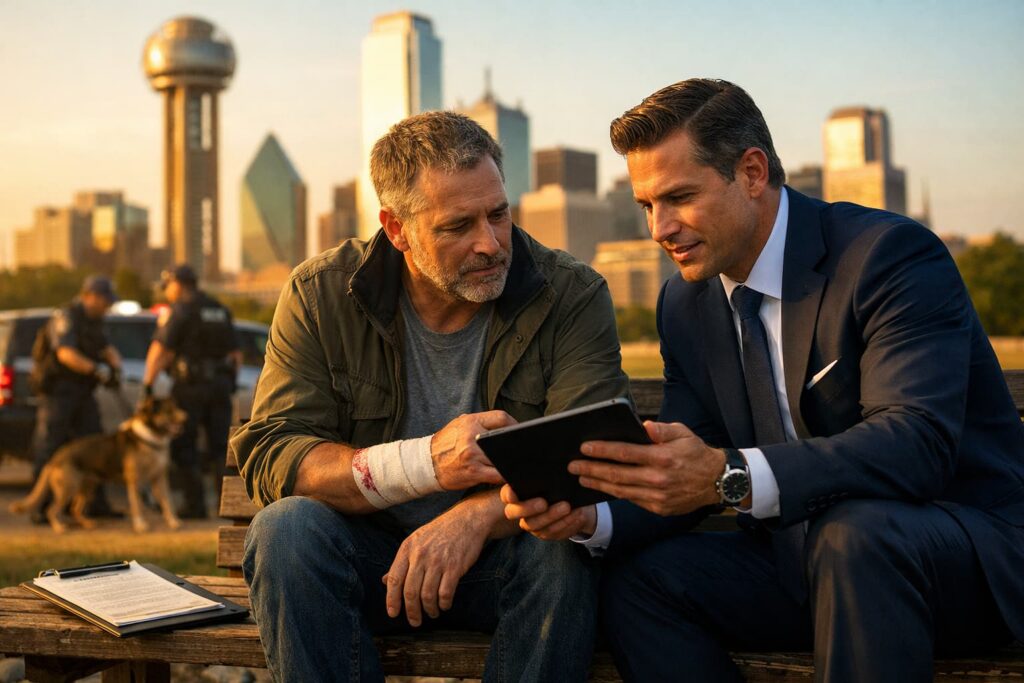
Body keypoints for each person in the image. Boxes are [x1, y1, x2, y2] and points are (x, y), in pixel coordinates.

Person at [505, 78, 1024, 682]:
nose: (659, 229)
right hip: (798, 563)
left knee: (852, 536)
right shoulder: (685, 304)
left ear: (752, 172)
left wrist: (729, 476)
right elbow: (684, 467)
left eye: (679, 197)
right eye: (647, 205)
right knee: (639, 582)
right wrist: (592, 519)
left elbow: (917, 445)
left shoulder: (888, 256)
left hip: (956, 559)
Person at [230, 111, 630, 682]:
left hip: (504, 562)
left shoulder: (570, 292)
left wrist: (469, 519)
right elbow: (277, 454)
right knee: (285, 531)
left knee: (559, 545)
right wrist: (425, 465)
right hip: (369, 563)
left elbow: (590, 457)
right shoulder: (320, 294)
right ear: (397, 229)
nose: (490, 244)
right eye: (457, 226)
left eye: (498, 214)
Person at [142, 264, 240, 518]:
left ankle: (195, 506)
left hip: (190, 387)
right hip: (219, 386)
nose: (167, 292)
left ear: (178, 284)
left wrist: (148, 385)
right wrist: (228, 383)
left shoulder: (179, 310)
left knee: (185, 445)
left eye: (168, 286)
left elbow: (160, 350)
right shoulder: (219, 309)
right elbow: (235, 354)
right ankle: (227, 505)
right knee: (220, 448)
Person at [31, 275, 123, 520]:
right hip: (59, 392)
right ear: (90, 296)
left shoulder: (96, 321)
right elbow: (66, 354)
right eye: (105, 300)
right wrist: (97, 370)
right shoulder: (67, 317)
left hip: (83, 392)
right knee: (51, 445)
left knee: (95, 446)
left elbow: (107, 348)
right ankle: (41, 509)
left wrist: (115, 366)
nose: (107, 306)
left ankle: (96, 505)